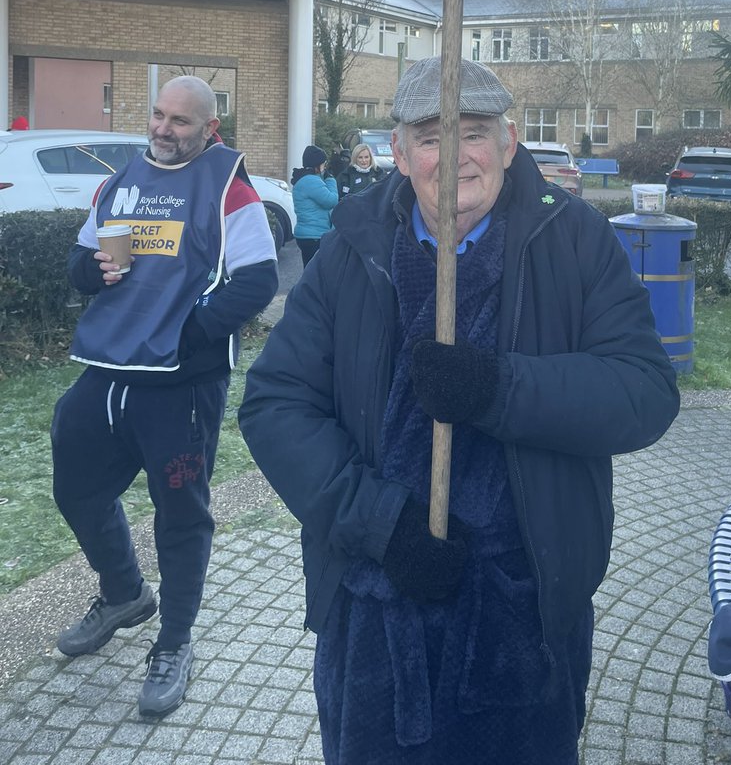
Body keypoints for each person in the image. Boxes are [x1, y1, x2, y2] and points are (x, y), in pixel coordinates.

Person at [239, 57, 679, 764]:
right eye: (433, 136)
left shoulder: (572, 241)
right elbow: (273, 405)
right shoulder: (353, 250)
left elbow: (644, 393)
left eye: (473, 133)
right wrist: (381, 524)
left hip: (524, 614)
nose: (456, 158)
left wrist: (500, 389)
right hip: (375, 613)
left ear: (509, 142)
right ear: (401, 150)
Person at [52, 76, 279, 719]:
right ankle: (124, 591)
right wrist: (92, 268)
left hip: (181, 384)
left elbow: (258, 279)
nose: (163, 129)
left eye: (180, 121)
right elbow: (78, 260)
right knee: (77, 484)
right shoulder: (119, 180)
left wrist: (192, 331)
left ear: (209, 129)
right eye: (158, 115)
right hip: (108, 369)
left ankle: (173, 643)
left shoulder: (228, 185)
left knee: (180, 515)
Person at [292, 144, 338, 265]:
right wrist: (331, 179)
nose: (325, 167)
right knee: (315, 275)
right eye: (324, 163)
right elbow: (331, 201)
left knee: (310, 272)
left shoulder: (305, 179)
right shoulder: (311, 181)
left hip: (307, 234)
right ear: (317, 165)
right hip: (314, 236)